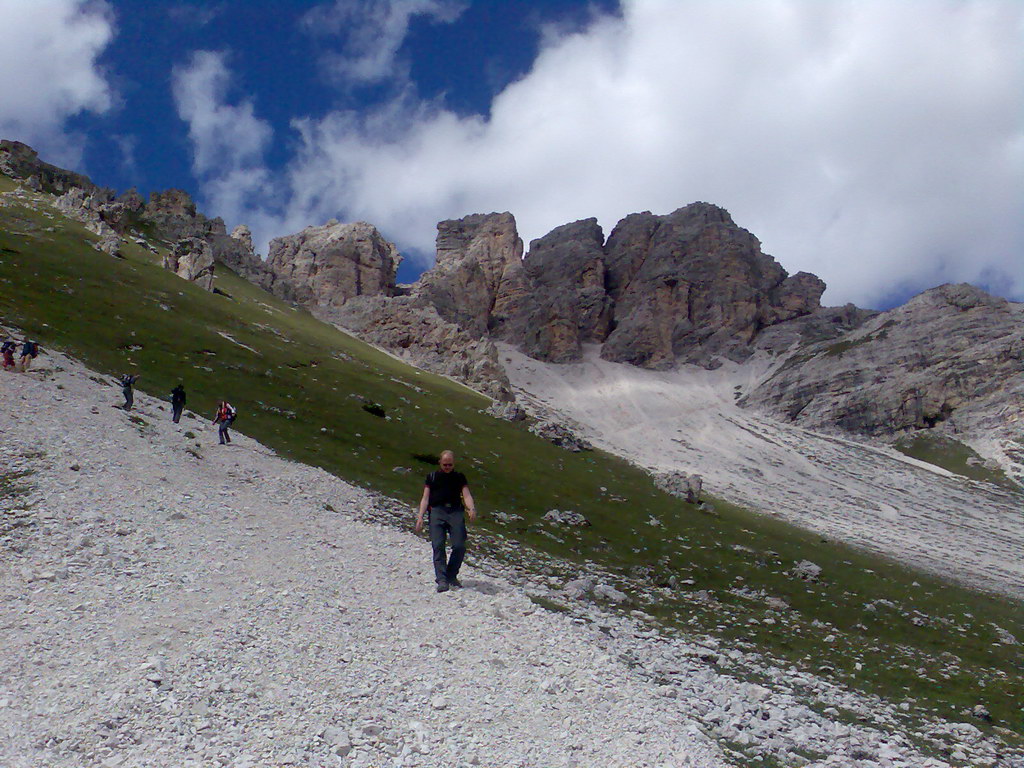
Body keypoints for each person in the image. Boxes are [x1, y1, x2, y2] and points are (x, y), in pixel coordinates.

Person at [415, 450, 477, 592]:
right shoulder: (432, 477)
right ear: (440, 463)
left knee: (459, 545)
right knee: (438, 545)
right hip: (437, 512)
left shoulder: (459, 477)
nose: (447, 467)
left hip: (455, 512)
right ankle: (442, 580)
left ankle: (451, 575)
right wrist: (420, 516)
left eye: (450, 464)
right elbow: (425, 498)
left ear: (453, 464)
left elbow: (466, 495)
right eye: (445, 464)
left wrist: (471, 508)